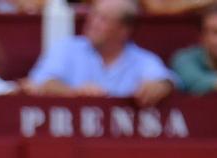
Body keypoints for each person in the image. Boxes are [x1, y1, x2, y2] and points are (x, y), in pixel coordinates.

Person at [23, 0, 173, 107]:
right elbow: (41, 83)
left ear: (124, 29)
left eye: (103, 19)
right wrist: (74, 93)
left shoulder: (143, 60)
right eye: (93, 15)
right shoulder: (66, 48)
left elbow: (165, 80)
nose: (92, 23)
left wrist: (161, 86)